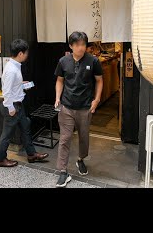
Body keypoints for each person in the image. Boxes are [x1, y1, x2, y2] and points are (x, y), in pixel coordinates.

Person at [54, 31, 103, 187]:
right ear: (71, 46)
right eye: (77, 45)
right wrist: (57, 97)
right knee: (65, 138)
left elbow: (99, 81)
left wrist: (97, 100)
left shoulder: (93, 61)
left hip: (85, 107)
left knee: (83, 137)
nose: (81, 48)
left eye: (83, 44)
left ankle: (81, 159)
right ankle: (62, 171)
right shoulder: (63, 61)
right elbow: (60, 81)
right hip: (67, 106)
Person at [0, 39, 48, 167]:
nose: (27, 55)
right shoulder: (11, 70)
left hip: (19, 105)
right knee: (6, 135)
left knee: (26, 129)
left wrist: (21, 85)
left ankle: (31, 154)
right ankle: (0, 159)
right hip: (13, 106)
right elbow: (6, 91)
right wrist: (10, 107)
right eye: (26, 53)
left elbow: (12, 86)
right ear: (20, 54)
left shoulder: (14, 66)